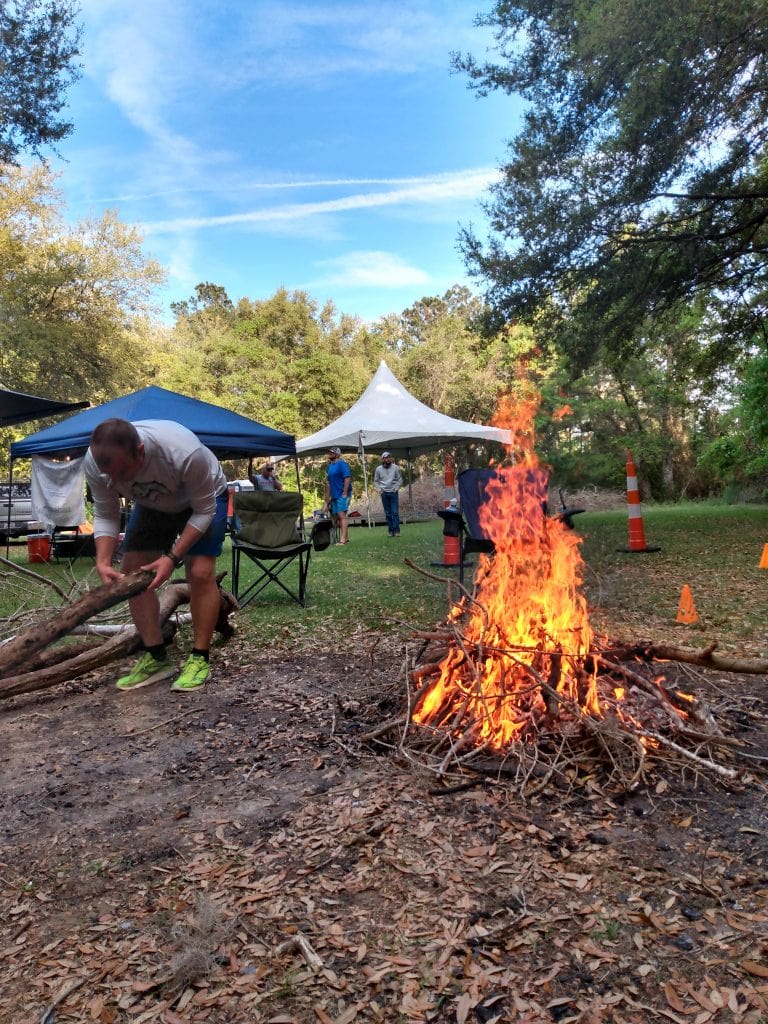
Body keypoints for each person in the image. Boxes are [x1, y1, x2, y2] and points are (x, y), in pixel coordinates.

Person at [84, 418, 229, 693]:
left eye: (123, 471)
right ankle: (156, 656)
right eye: (109, 475)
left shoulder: (184, 453)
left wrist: (172, 558)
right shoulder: (95, 461)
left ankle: (199, 658)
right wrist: (102, 560)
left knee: (199, 572)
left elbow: (204, 512)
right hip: (153, 501)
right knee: (132, 572)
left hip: (202, 499)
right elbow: (105, 513)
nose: (115, 481)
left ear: (140, 451)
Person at [325, 446, 352, 545]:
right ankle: (346, 539)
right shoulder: (330, 466)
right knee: (338, 516)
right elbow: (328, 482)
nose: (330, 454)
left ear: (337, 454)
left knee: (342, 515)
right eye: (329, 452)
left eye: (332, 452)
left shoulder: (342, 464)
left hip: (342, 494)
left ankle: (343, 540)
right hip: (335, 495)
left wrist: (345, 492)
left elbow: (347, 478)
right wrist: (327, 498)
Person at [373, 451, 403, 537]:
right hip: (384, 493)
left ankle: (397, 530)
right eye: (385, 457)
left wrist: (396, 488)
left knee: (395, 512)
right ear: (382, 459)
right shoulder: (378, 469)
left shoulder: (396, 467)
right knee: (388, 513)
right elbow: (376, 481)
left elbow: (400, 479)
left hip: (393, 492)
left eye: (389, 457)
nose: (388, 459)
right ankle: (390, 531)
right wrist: (379, 490)